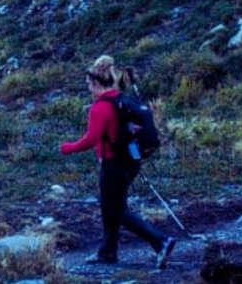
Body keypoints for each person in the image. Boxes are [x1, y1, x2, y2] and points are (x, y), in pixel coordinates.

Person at [60, 56, 176, 269]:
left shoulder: (101, 107)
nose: (87, 88)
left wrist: (68, 148)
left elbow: (91, 139)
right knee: (109, 207)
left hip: (114, 163)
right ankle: (107, 253)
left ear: (96, 83)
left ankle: (160, 241)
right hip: (129, 161)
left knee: (117, 210)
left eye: (88, 84)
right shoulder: (120, 99)